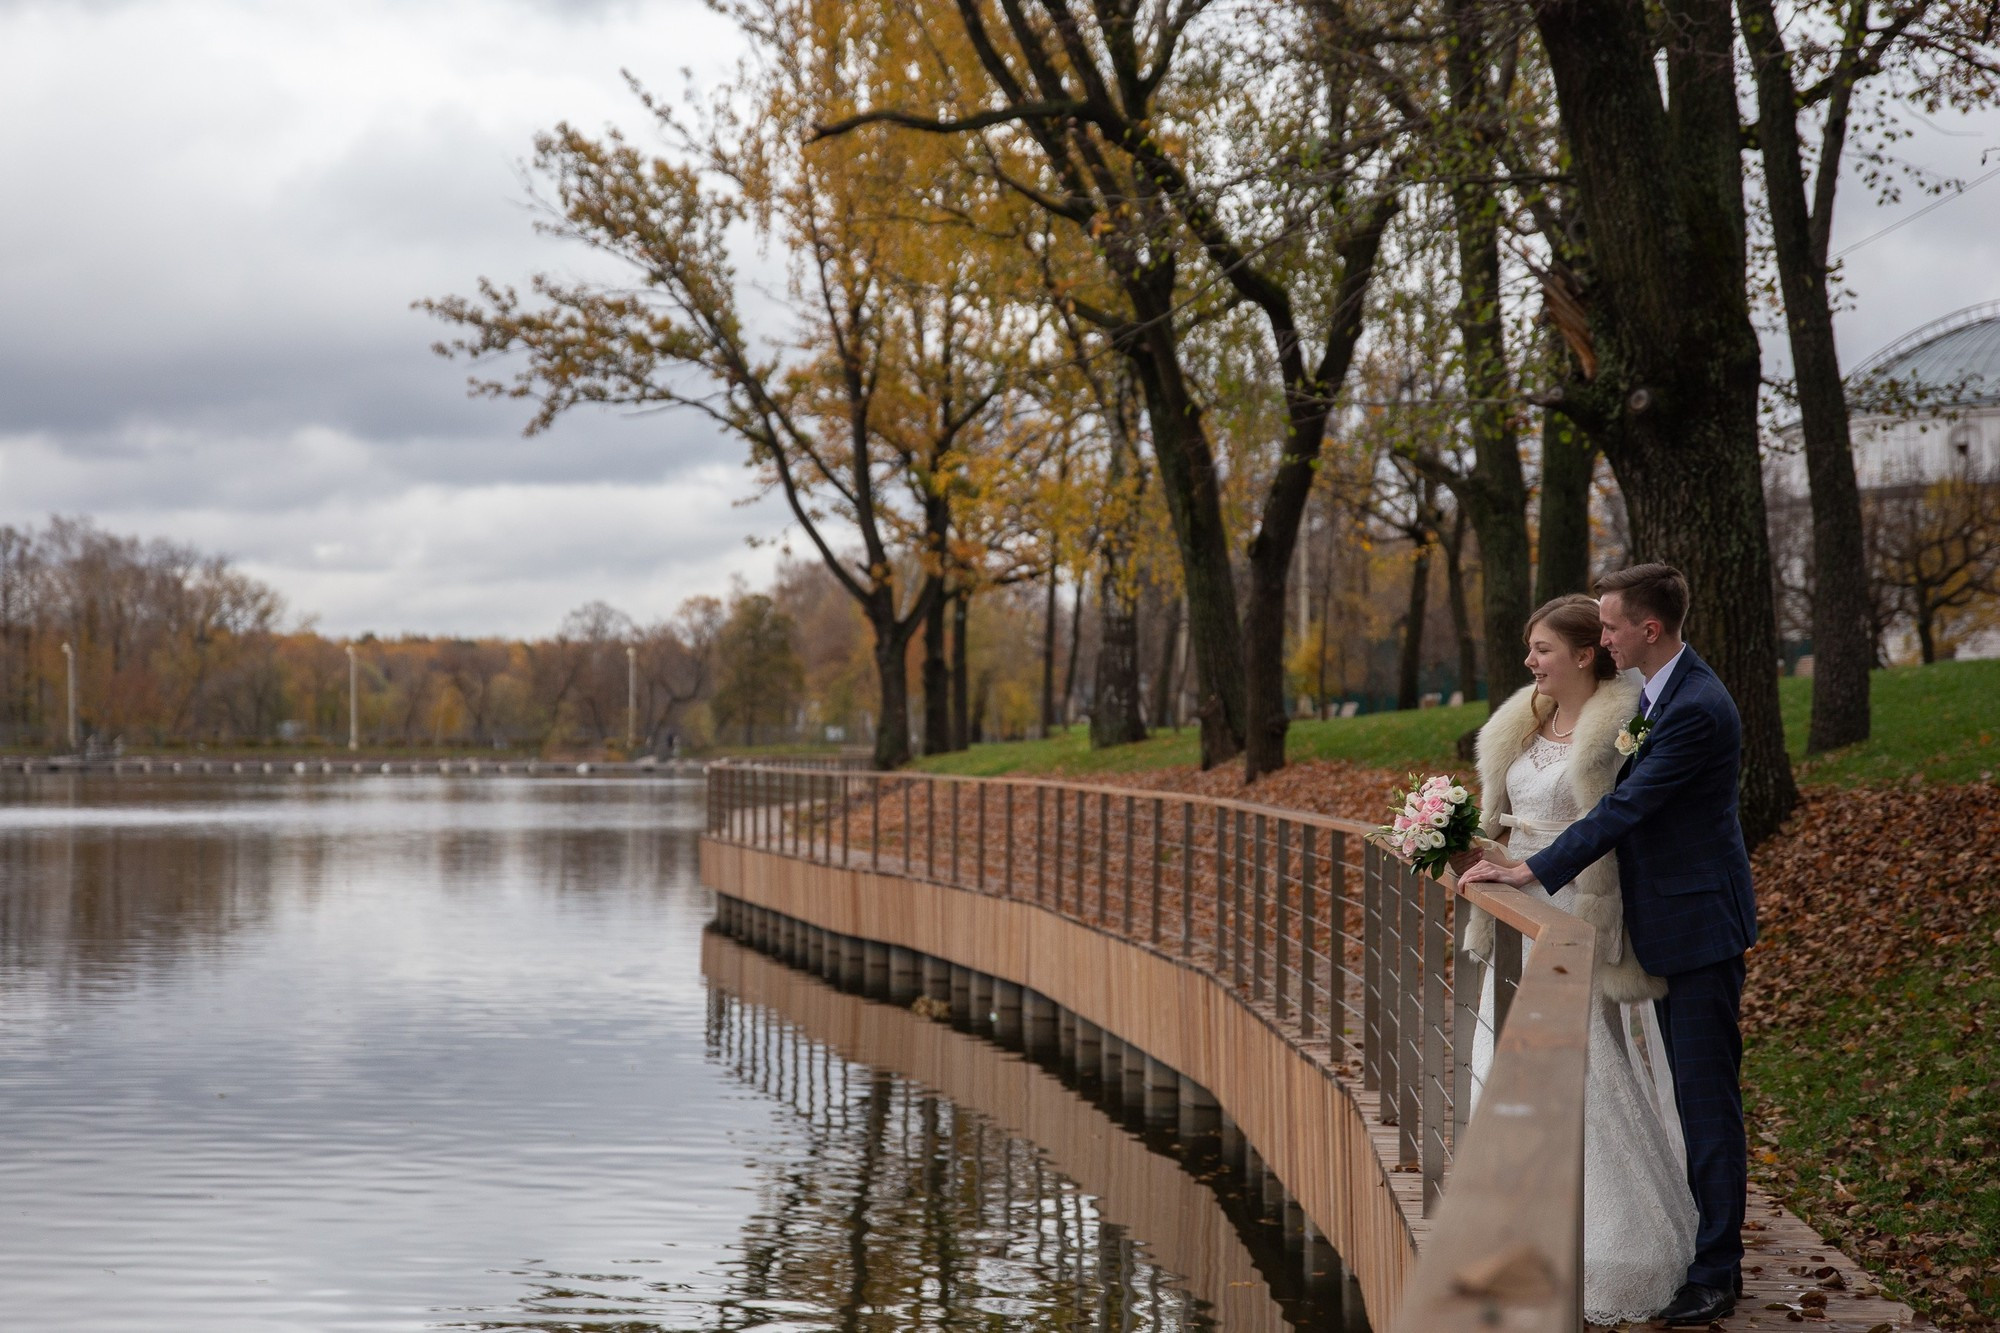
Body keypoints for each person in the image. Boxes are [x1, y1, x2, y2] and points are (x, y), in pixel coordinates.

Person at [1461, 564, 1756, 1327]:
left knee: (1704, 1098)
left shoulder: (1694, 706)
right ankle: (1690, 1245)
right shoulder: (1655, 698)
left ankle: (1717, 1271)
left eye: (1613, 625)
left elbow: (1625, 805)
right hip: (1658, 919)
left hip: (1697, 930)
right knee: (1677, 1092)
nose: (1605, 634)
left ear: (1647, 629)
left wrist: (1534, 866)